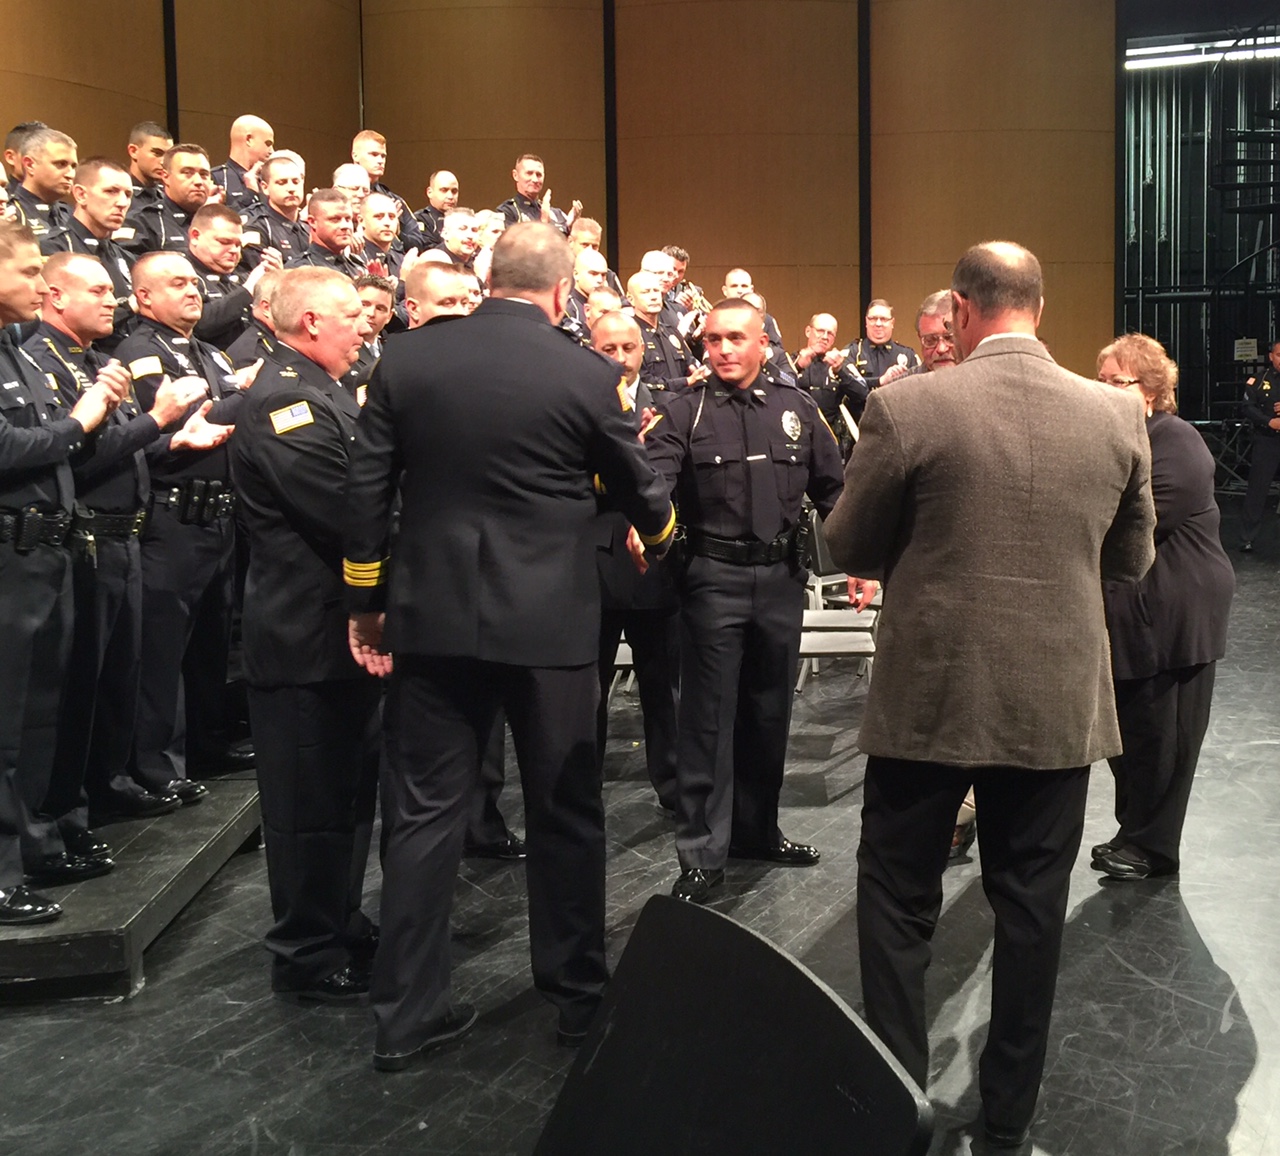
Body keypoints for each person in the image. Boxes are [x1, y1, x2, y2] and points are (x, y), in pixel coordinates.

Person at [822, 241, 1156, 1150]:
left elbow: (848, 546)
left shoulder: (907, 405)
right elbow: (1132, 560)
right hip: (1054, 702)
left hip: (928, 699)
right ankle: (1007, 1120)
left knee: (897, 903)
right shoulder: (1117, 412)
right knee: (1032, 911)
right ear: (1039, 309)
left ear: (962, 312)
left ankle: (897, 1104)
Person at [342, 221, 676, 1069]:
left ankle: (405, 1015)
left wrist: (366, 601)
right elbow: (638, 484)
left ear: (486, 278)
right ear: (563, 293)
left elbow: (367, 489)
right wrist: (662, 537)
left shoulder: (406, 359)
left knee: (422, 814)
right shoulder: (587, 372)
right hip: (550, 624)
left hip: (434, 617)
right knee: (565, 808)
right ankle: (576, 996)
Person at [643, 298, 852, 905]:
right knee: (707, 719)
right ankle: (702, 853)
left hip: (782, 578)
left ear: (763, 343)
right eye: (713, 340)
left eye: (736, 338)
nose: (724, 349)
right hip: (713, 580)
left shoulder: (797, 408)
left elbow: (835, 491)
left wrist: (858, 561)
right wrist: (648, 527)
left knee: (768, 712)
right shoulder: (683, 410)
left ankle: (757, 833)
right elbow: (653, 480)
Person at [230, 266, 382, 1004]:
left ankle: (338, 922)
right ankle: (306, 953)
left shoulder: (323, 389)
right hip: (303, 637)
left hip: (333, 634)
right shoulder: (286, 400)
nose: (366, 325)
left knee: (344, 799)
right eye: (352, 313)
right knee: (305, 810)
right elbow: (346, 509)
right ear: (312, 322)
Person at [26, 253, 215, 845]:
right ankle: (60, 814)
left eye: (113, 291)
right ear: (56, 296)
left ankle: (104, 787)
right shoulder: (42, 362)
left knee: (117, 678)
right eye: (98, 290)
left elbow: (124, 445)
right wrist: (158, 421)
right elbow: (78, 457)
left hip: (126, 532)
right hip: (85, 537)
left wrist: (172, 436)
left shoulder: (95, 361)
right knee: (75, 689)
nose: (113, 300)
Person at [0, 220, 130, 922]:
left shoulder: (15, 353)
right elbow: (9, 446)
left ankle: (37, 843)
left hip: (47, 549)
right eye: (27, 272)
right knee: (5, 721)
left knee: (43, 714)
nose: (39, 284)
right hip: (9, 556)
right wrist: (82, 420)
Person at [1094, 334, 1235, 880]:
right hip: (1132, 611)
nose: (1104, 390)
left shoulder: (1176, 440)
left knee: (1165, 735)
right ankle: (1133, 832)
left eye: (1117, 382)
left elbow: (1140, 521)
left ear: (1150, 390)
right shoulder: (1119, 438)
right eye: (1100, 381)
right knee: (1132, 732)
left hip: (1177, 612)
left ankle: (1152, 848)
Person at [115, 252, 254, 800]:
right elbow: (179, 422)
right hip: (172, 516)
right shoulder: (140, 354)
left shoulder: (209, 352)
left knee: (209, 646)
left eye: (194, 283)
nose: (193, 290)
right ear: (144, 297)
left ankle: (206, 743)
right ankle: (156, 764)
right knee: (163, 650)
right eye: (177, 284)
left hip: (218, 514)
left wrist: (238, 398)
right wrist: (246, 396)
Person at [591, 310, 680, 816]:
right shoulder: (578, 404)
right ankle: (583, 787)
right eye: (609, 349)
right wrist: (631, 461)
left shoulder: (668, 405)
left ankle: (674, 786)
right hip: (594, 565)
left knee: (664, 688)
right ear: (592, 350)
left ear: (644, 349)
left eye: (629, 348)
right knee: (588, 691)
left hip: (655, 564)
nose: (621, 359)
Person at [39, 157, 138, 352]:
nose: (122, 202)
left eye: (128, 194)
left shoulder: (126, 257)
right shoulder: (53, 248)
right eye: (111, 191)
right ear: (81, 194)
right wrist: (128, 308)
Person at [187, 203, 282, 349]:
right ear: (195, 236)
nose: (234, 250)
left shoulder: (242, 275)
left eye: (238, 245)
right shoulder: (180, 274)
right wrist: (248, 290)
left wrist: (277, 284)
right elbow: (199, 325)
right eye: (224, 242)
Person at [123, 143, 216, 255]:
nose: (198, 181)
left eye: (204, 174)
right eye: (187, 173)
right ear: (166, 177)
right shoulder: (142, 222)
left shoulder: (219, 222)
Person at [627, 271, 707, 394]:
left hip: (685, 399)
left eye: (656, 291)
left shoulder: (671, 332)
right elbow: (643, 381)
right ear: (631, 299)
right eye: (646, 292)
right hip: (653, 402)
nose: (654, 297)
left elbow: (691, 365)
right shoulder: (629, 334)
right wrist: (686, 381)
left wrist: (699, 372)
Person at [792, 312, 868, 443]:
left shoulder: (841, 363)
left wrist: (840, 372)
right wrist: (798, 367)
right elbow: (776, 390)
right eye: (820, 331)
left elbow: (863, 394)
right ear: (808, 331)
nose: (825, 337)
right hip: (799, 434)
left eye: (830, 333)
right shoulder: (791, 361)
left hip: (831, 437)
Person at [1238, 339, 1280, 551]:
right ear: (1271, 356)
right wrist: (1268, 421)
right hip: (1267, 440)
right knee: (1257, 490)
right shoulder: (1259, 379)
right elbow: (1247, 407)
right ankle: (1247, 537)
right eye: (1279, 355)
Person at [241, 154, 310, 266]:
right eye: (282, 183)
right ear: (265, 187)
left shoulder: (309, 229)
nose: (291, 188)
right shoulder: (256, 227)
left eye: (295, 182)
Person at [11, 127, 77, 239]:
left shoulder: (72, 215)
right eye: (61, 164)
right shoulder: (9, 213)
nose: (71, 175)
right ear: (30, 165)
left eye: (73, 166)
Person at [287, 189, 363, 277]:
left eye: (348, 219)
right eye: (335, 219)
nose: (345, 226)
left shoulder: (358, 266)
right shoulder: (298, 270)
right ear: (312, 222)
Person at [498, 154, 581, 234]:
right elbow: (513, 243)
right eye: (529, 173)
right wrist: (544, 222)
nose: (535, 180)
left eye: (539, 175)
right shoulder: (507, 211)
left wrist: (570, 227)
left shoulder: (556, 213)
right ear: (515, 175)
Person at [847, 298, 921, 385]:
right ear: (866, 321)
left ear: (892, 323)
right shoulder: (853, 352)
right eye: (873, 319)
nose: (878, 324)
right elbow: (847, 385)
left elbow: (917, 386)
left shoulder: (908, 355)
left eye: (883, 319)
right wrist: (880, 381)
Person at [212, 115, 274, 212]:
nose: (272, 151)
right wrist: (250, 193)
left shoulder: (268, 182)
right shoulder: (216, 178)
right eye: (268, 144)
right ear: (249, 140)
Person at [125, 121, 173, 214]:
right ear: (133, 151)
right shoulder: (118, 196)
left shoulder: (170, 195)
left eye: (168, 155)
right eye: (157, 153)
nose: (163, 162)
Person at [412, 170, 459, 249]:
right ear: (429, 192)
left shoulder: (464, 220)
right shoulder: (420, 219)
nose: (450, 196)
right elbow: (428, 249)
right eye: (444, 190)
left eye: (454, 191)